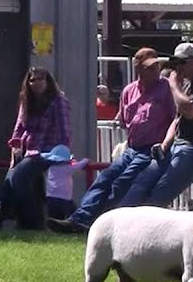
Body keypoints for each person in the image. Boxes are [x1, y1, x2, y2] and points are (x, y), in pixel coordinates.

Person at [47, 48, 175, 233]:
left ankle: (101, 224)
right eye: (149, 67)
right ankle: (79, 219)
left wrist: (164, 145)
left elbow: (175, 120)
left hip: (152, 149)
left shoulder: (166, 89)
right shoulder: (129, 91)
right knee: (104, 178)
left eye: (156, 66)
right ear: (138, 68)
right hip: (132, 148)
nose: (155, 71)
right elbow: (123, 120)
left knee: (123, 181)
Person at [118, 43, 193, 209]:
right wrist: (165, 144)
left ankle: (145, 228)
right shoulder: (187, 83)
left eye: (183, 62)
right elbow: (178, 118)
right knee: (141, 182)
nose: (178, 67)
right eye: (176, 62)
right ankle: (121, 222)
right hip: (178, 145)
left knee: (161, 192)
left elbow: (190, 110)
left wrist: (172, 85)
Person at [1, 67, 71, 231]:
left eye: (41, 79)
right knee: (8, 184)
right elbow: (18, 129)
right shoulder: (26, 101)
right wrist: (15, 147)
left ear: (48, 81)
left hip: (48, 151)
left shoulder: (58, 101)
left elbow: (65, 131)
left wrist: (62, 155)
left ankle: (34, 223)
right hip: (27, 151)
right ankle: (13, 222)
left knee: (18, 178)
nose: (37, 83)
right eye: (33, 80)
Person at [42, 144, 89, 221]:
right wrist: (86, 160)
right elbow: (78, 165)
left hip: (50, 197)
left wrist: (72, 160)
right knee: (72, 215)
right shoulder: (67, 168)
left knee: (53, 217)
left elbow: (73, 164)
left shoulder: (51, 167)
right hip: (64, 198)